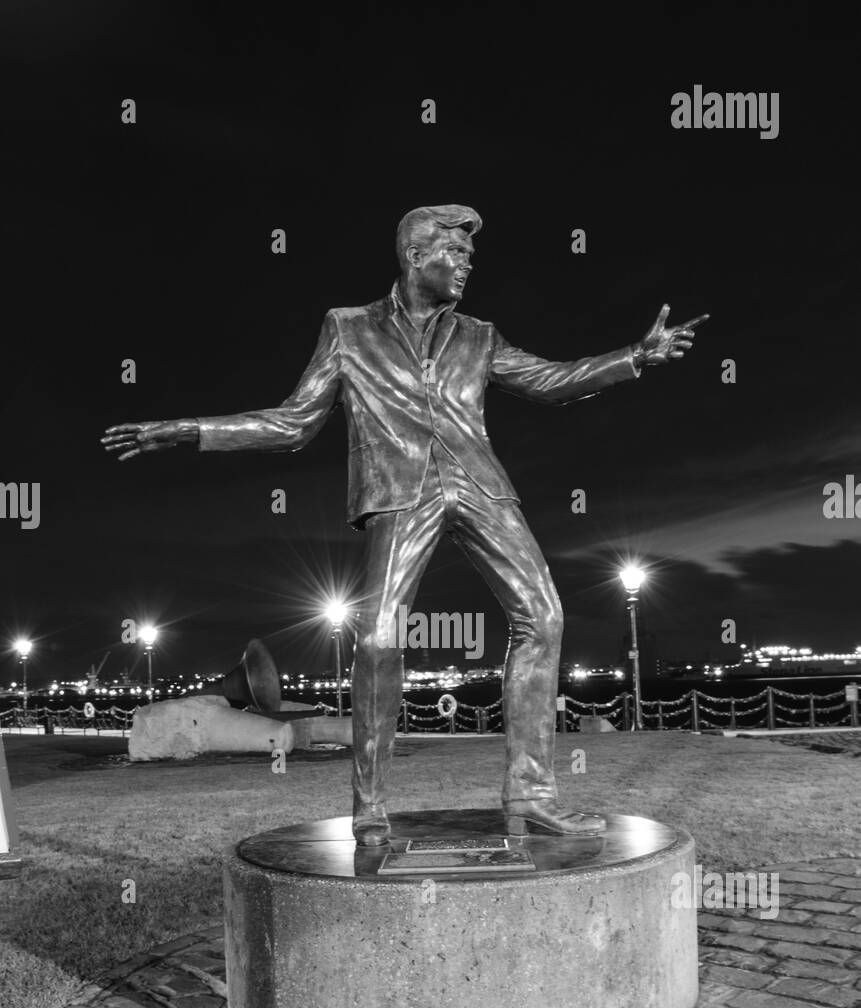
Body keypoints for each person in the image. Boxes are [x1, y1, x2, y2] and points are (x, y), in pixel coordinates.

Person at [103, 204, 706, 846]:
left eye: (471, 256)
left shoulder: (480, 336)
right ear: (416, 257)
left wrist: (635, 357)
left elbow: (551, 381)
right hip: (399, 496)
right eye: (456, 254)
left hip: (481, 488)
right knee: (379, 641)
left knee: (545, 615)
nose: (468, 263)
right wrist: (190, 431)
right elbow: (292, 423)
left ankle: (531, 796)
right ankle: (369, 807)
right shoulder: (348, 328)